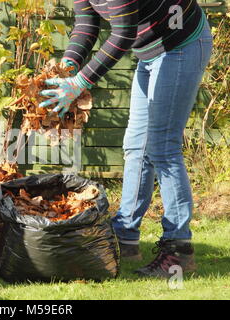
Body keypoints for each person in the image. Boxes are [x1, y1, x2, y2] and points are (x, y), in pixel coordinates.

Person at [39, 0, 213, 278]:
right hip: (149, 53)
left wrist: (80, 83)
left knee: (163, 148)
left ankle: (179, 250)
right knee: (136, 146)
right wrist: (69, 63)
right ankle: (125, 238)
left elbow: (123, 33)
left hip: (180, 46)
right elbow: (86, 24)